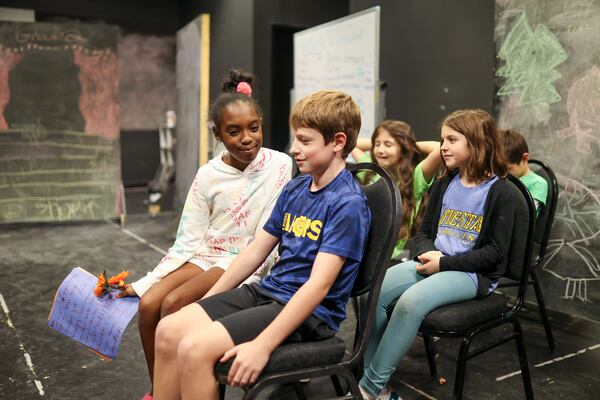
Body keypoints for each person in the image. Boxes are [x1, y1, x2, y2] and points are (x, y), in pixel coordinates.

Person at [151, 90, 371, 400]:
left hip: (310, 313)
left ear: (337, 142)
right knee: (169, 330)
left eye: (305, 141)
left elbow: (318, 287)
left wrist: (262, 345)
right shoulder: (295, 188)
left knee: (194, 349)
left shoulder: (346, 203)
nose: (294, 149)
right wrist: (209, 303)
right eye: (295, 139)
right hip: (269, 292)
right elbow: (255, 251)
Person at [118, 69, 292, 400]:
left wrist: (249, 270)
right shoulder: (208, 175)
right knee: (149, 304)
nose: (247, 138)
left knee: (173, 305)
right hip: (207, 255)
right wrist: (142, 284)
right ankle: (161, 389)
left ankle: (185, 388)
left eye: (254, 128)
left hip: (245, 260)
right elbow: (187, 241)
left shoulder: (280, 164)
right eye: (234, 131)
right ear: (217, 134)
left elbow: (265, 240)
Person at [358, 109, 514, 400]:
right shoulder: (445, 182)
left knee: (410, 302)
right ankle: (377, 386)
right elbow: (424, 231)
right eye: (442, 139)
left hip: (470, 274)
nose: (443, 146)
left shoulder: (501, 192)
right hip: (435, 261)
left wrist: (444, 263)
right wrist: (429, 253)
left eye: (452, 139)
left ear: (477, 142)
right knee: (372, 292)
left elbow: (495, 253)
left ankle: (367, 388)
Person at [351, 120, 442, 260]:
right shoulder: (371, 169)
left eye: (388, 145)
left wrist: (410, 144)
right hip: (362, 251)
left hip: (392, 256)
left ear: (403, 147)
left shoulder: (416, 176)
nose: (381, 150)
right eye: (377, 144)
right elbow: (350, 143)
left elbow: (440, 148)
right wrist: (382, 140)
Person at [501, 129, 548, 215]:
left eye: (509, 169)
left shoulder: (538, 183)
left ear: (525, 158)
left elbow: (524, 216)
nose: (504, 174)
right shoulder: (501, 178)